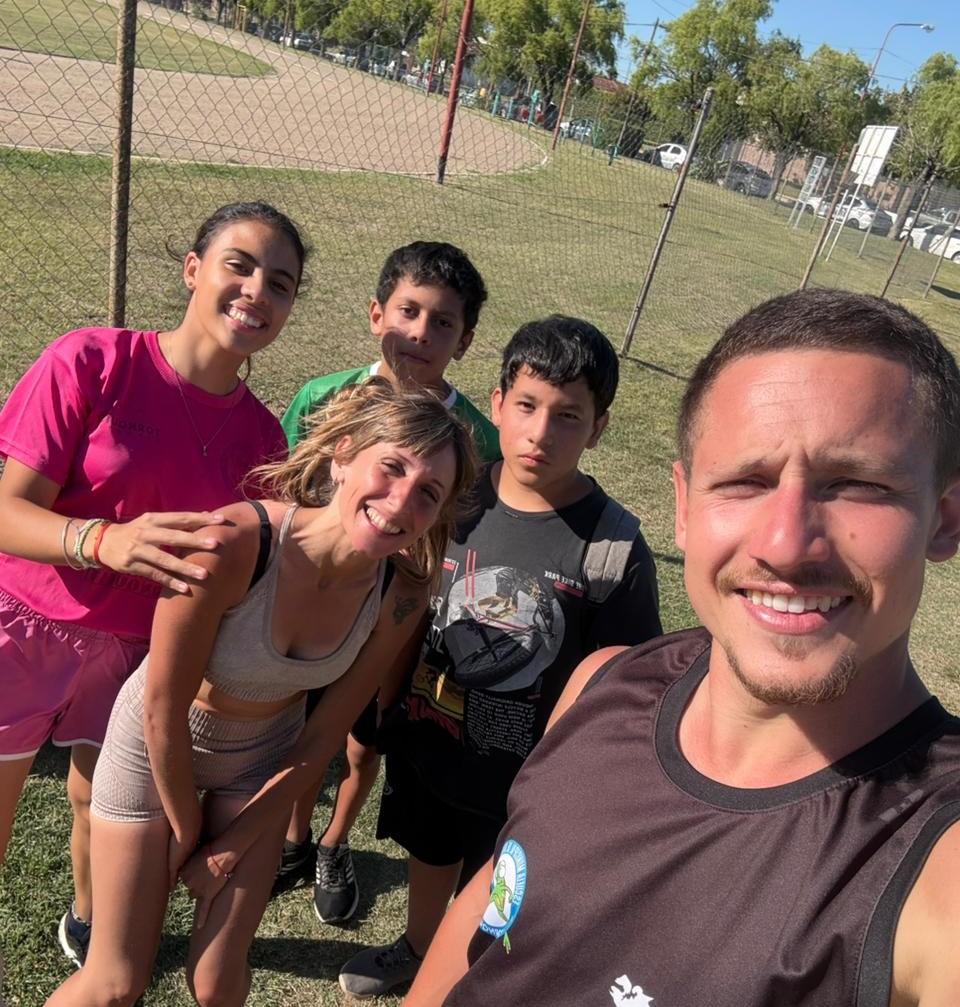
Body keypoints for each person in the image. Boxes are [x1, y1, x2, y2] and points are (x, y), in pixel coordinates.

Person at [402, 288, 960, 1007]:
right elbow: (498, 895)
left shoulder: (932, 859)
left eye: (856, 484)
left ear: (946, 517)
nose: (787, 543)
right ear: (686, 505)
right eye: (745, 481)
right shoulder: (600, 685)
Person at [45, 378, 479, 1007]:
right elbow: (163, 709)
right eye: (391, 467)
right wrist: (187, 831)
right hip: (154, 745)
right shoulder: (232, 544)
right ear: (343, 454)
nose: (400, 502)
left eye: (428, 493)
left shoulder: (403, 593)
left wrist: (228, 850)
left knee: (217, 983)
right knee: (115, 983)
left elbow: (324, 733)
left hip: (264, 757)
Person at [0, 201, 303, 969]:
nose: (256, 291)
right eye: (239, 265)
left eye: (280, 283)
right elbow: (8, 511)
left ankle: (88, 921)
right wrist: (104, 540)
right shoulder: (93, 361)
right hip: (23, 625)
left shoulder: (264, 439)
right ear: (193, 269)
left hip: (139, 656)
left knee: (96, 802)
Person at [338, 315, 663, 998]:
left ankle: (470, 979)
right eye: (526, 406)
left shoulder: (613, 548)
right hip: (431, 735)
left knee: (498, 903)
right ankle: (417, 947)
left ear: (599, 428)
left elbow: (623, 688)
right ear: (495, 403)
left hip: (524, 781)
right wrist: (387, 705)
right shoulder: (451, 499)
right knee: (429, 848)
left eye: (568, 416)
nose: (541, 432)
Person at [276, 241, 500, 924]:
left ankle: (334, 841)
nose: (421, 333)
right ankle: (294, 837)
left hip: (402, 620)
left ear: (465, 341)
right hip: (312, 604)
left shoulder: (480, 438)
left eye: (443, 322)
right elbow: (286, 495)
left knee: (364, 738)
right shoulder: (324, 398)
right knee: (298, 723)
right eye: (408, 311)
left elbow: (471, 537)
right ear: (377, 313)